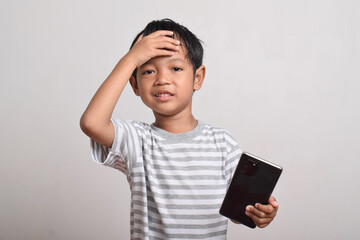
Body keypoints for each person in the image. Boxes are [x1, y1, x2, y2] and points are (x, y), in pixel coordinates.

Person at [80, 18, 279, 240]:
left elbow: (238, 210)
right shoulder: (136, 141)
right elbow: (92, 122)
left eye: (175, 68)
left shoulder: (223, 144)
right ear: (134, 84)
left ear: (197, 77)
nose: (162, 79)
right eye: (147, 71)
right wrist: (131, 59)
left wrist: (259, 213)